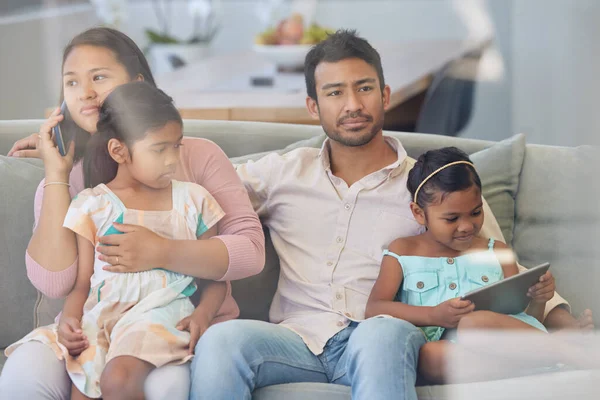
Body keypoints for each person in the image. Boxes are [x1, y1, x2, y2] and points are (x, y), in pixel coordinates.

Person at [189, 29, 589, 400]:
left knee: (380, 331)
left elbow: (499, 263)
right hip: (295, 339)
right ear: (313, 106)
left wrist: (565, 325)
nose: (352, 105)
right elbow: (197, 190)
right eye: (334, 93)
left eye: (364, 88)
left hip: (386, 335)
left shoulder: (432, 189)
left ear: (385, 95)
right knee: (222, 342)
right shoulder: (281, 172)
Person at [0, 28, 264, 400]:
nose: (85, 93)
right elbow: (56, 283)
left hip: (175, 325)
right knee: (22, 379)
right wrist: (56, 176)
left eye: (99, 77)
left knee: (158, 386)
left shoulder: (198, 158)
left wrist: (161, 251)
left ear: (139, 84)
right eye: (72, 82)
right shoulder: (72, 179)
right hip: (94, 323)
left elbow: (250, 252)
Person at [365, 146, 553, 383]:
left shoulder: (498, 252)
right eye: (452, 218)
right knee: (429, 356)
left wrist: (539, 299)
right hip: (455, 354)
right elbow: (374, 308)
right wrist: (434, 314)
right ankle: (544, 363)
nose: (466, 226)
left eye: (475, 213)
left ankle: (565, 352)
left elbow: (523, 318)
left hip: (507, 341)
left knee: (473, 323)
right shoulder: (403, 251)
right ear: (419, 214)